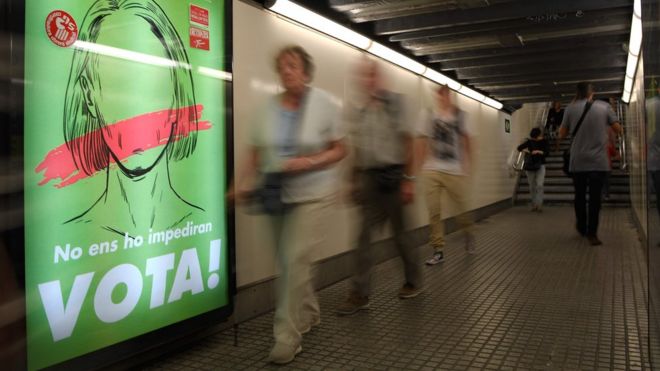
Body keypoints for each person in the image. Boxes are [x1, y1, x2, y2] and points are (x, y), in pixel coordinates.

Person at [230, 45, 346, 364]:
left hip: (313, 193)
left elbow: (340, 149)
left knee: (295, 259)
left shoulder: (323, 104)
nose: (286, 71)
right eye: (282, 66)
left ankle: (286, 337)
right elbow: (254, 151)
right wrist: (239, 185)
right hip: (276, 192)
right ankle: (309, 312)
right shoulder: (267, 108)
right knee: (289, 261)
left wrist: (310, 161)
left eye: (293, 65)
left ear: (306, 72)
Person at [62, 0, 204, 235]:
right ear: (89, 95)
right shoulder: (73, 236)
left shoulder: (201, 223)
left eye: (154, 82)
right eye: (118, 84)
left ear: (176, 92)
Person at [336, 59, 423, 316]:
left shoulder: (397, 104)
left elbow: (410, 143)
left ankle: (414, 281)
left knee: (402, 236)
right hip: (370, 180)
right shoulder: (359, 110)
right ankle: (359, 293)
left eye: (372, 75)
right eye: (364, 75)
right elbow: (357, 148)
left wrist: (409, 180)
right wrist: (352, 179)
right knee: (362, 237)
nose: (368, 80)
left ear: (381, 78)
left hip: (395, 177)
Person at [417, 85, 475, 266]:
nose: (442, 100)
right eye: (439, 97)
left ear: (450, 97)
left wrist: (468, 165)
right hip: (431, 170)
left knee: (460, 209)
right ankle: (438, 250)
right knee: (434, 211)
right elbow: (421, 140)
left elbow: (467, 140)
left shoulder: (461, 116)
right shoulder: (427, 115)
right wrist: (419, 165)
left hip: (454, 170)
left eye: (445, 96)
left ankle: (468, 232)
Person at [558, 82, 623, 245]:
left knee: (579, 196)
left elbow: (562, 134)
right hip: (599, 161)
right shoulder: (604, 107)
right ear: (591, 93)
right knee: (595, 199)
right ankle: (592, 233)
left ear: (577, 93)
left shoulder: (569, 108)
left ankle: (581, 226)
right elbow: (618, 129)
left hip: (578, 161)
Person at [517, 127, 549, 212]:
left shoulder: (544, 141)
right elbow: (519, 148)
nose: (536, 138)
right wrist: (529, 152)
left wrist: (539, 151)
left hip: (540, 165)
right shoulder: (529, 141)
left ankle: (539, 204)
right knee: (531, 186)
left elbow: (547, 152)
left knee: (539, 185)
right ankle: (534, 204)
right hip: (530, 166)